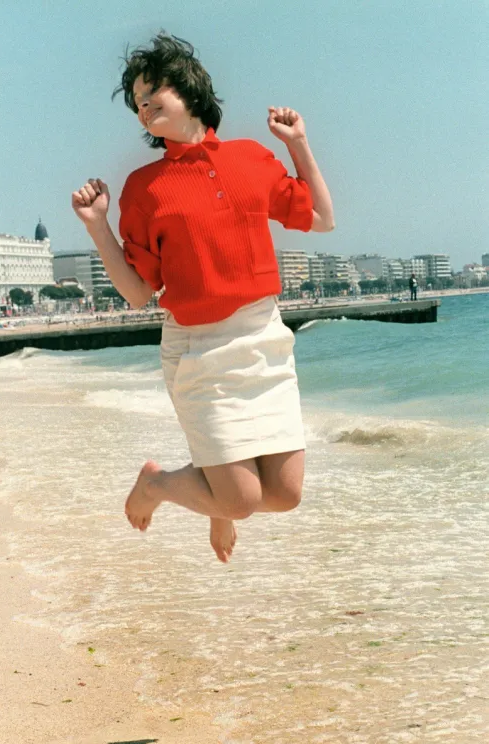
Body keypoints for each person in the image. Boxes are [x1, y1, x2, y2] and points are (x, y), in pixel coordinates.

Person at [72, 33, 335, 563]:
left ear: (188, 89)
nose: (144, 109)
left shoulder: (251, 159)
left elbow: (323, 218)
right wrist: (98, 227)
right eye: (137, 104)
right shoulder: (144, 188)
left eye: (152, 95)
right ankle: (158, 484)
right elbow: (139, 293)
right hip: (198, 350)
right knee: (241, 500)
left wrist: (297, 143)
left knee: (284, 495)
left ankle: (216, 497)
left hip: (263, 336)